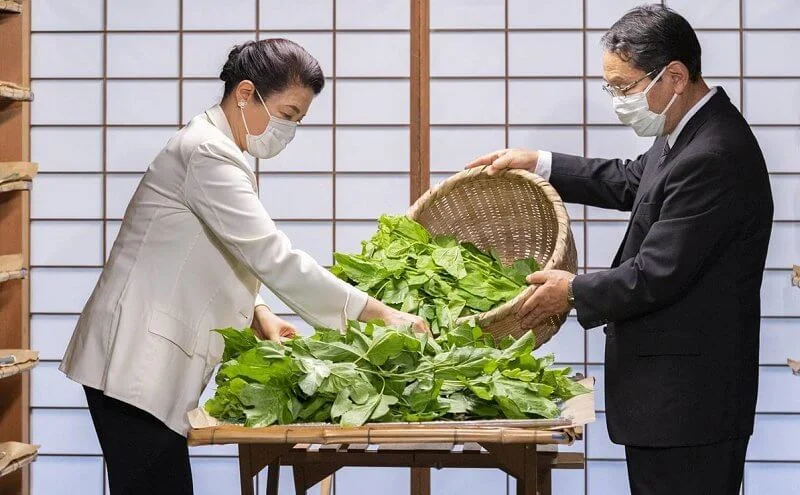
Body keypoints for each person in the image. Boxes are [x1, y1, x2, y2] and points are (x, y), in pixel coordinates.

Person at [59, 39, 427, 495]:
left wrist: (261, 313)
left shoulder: (218, 149)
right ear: (246, 94)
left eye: (298, 121)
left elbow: (214, 249)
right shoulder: (207, 152)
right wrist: (380, 313)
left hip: (143, 360)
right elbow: (272, 255)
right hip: (133, 360)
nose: (289, 130)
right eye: (288, 114)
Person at [467, 5, 772, 495]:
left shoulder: (713, 153)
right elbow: (634, 180)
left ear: (674, 76)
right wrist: (540, 162)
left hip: (689, 404)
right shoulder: (689, 128)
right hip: (672, 400)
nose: (617, 100)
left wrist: (571, 292)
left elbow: (656, 273)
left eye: (623, 86)